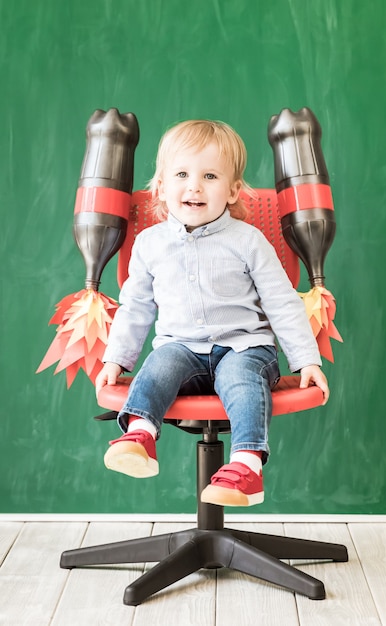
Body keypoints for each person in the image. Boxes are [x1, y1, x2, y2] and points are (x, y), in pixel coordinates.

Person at [95, 119, 329, 507]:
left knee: (240, 380)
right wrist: (116, 360)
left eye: (210, 175)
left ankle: (246, 466)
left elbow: (281, 302)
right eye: (182, 174)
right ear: (161, 186)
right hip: (181, 348)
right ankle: (139, 435)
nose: (194, 186)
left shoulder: (248, 241)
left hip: (244, 349)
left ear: (233, 189)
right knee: (160, 365)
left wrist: (306, 360)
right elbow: (135, 306)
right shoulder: (150, 244)